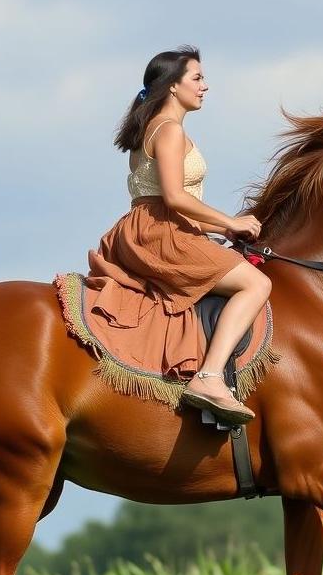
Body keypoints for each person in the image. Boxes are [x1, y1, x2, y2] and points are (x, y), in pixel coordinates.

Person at [92, 45, 272, 425]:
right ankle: (208, 378)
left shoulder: (151, 127)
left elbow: (160, 200)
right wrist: (229, 222)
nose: (205, 86)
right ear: (173, 87)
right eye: (198, 78)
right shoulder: (170, 131)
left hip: (147, 226)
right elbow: (174, 199)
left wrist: (229, 225)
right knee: (256, 284)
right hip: (162, 233)